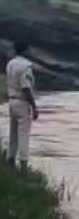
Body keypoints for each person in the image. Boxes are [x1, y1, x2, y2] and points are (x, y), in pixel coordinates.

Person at [5, 41, 38, 171]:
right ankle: (24, 166)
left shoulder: (10, 64)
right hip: (22, 102)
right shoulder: (26, 66)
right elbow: (26, 87)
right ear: (25, 51)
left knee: (13, 134)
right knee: (24, 135)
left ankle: (10, 160)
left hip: (11, 101)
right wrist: (34, 106)